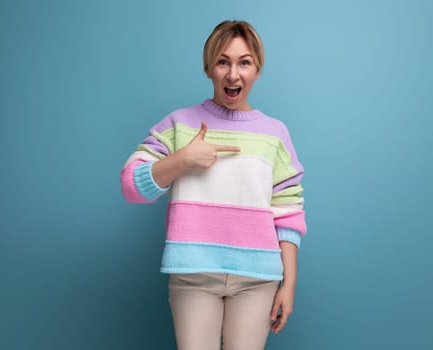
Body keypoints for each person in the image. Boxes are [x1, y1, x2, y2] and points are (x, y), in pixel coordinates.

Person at [120, 20, 307, 350]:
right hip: (194, 276)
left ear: (257, 70)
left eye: (244, 62)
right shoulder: (179, 124)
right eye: (223, 62)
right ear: (209, 68)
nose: (233, 74)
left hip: (257, 279)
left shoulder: (275, 134)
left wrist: (288, 284)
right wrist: (183, 159)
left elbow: (288, 213)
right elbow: (131, 187)